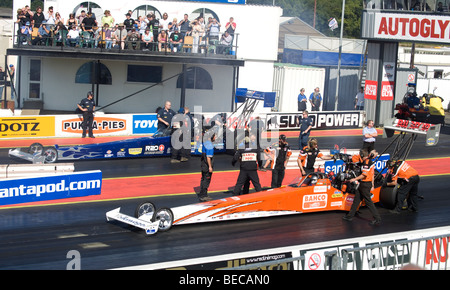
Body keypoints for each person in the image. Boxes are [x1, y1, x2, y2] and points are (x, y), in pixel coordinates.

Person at [343, 149, 381, 225]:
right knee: (356, 200)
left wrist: (354, 179)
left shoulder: (366, 162)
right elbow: (372, 174)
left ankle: (377, 219)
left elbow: (364, 175)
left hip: (365, 184)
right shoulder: (370, 161)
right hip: (364, 184)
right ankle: (350, 216)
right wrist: (372, 184)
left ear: (362, 156)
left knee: (368, 202)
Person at [198, 132, 216, 202]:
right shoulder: (209, 145)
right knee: (206, 180)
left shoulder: (205, 143)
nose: (215, 138)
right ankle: (204, 195)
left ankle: (202, 193)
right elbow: (208, 157)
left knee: (203, 179)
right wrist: (210, 167)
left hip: (203, 164)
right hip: (206, 165)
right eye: (214, 136)